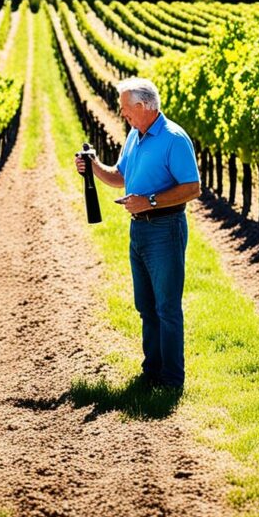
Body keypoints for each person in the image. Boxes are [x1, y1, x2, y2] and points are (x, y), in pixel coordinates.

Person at [74, 78, 200, 389]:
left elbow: (192, 188)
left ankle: (172, 381)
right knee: (146, 306)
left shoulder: (174, 138)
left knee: (167, 307)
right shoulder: (135, 135)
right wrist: (93, 167)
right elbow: (120, 176)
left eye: (126, 110)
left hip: (165, 229)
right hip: (139, 230)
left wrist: (150, 201)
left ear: (143, 107)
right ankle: (151, 372)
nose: (122, 114)